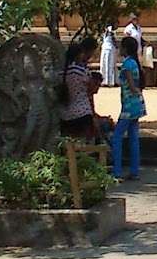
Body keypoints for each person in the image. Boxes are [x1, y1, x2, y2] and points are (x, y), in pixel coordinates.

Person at [60, 38, 110, 142]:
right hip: (82, 112)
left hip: (64, 114)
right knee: (86, 143)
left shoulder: (61, 72)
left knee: (69, 143)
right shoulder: (80, 71)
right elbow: (91, 89)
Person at [109, 35, 145, 181]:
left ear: (125, 49)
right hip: (136, 104)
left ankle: (117, 171)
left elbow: (130, 84)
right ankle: (134, 170)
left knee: (117, 137)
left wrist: (135, 91)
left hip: (129, 105)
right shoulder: (134, 63)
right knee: (133, 138)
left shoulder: (127, 64)